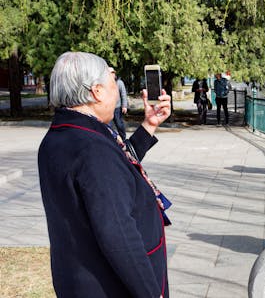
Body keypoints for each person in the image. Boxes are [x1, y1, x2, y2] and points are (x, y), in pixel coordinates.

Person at [38, 51, 172, 298]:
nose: (117, 91)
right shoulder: (92, 149)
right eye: (113, 81)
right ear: (96, 91)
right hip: (110, 286)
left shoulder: (63, 134)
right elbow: (119, 236)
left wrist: (149, 125)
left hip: (80, 279)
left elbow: (116, 167)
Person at [109, 67, 128, 139]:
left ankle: (123, 138)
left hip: (117, 108)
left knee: (119, 125)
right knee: (109, 126)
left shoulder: (119, 83)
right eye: (110, 73)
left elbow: (123, 94)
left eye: (113, 72)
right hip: (109, 108)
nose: (111, 74)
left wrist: (124, 106)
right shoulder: (105, 83)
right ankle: (111, 140)